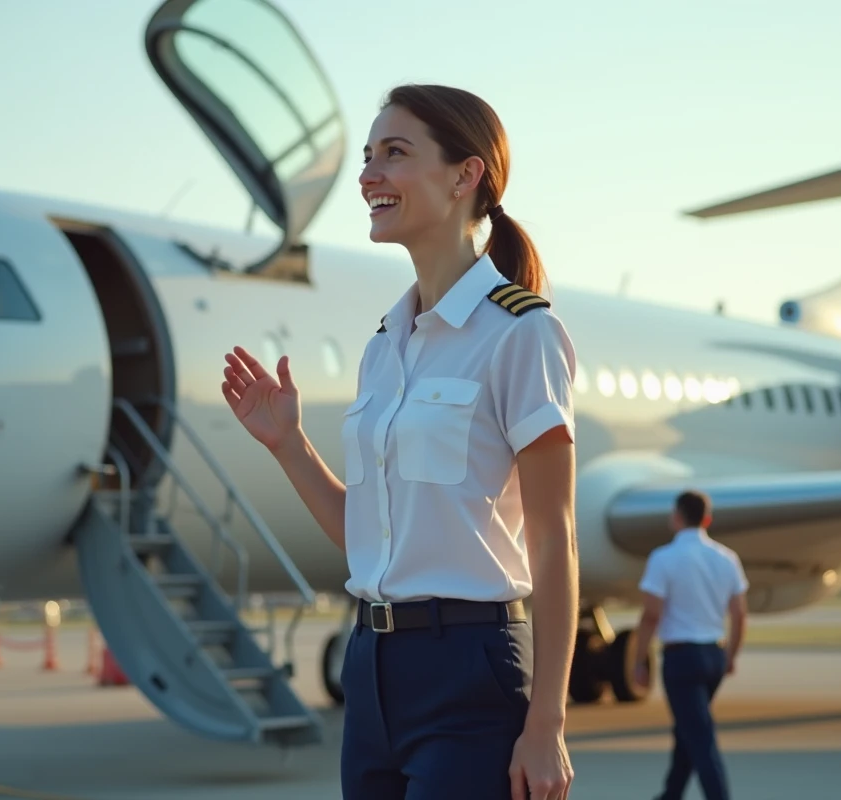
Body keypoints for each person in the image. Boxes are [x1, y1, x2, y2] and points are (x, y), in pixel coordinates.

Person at [221, 83, 579, 800]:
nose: (368, 176)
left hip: (472, 669)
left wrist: (547, 722)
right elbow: (365, 539)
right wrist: (288, 444)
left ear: (464, 175)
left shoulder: (520, 332)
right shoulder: (386, 345)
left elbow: (554, 540)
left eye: (394, 153)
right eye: (367, 156)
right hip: (372, 668)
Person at [632, 489, 749, 800]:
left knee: (700, 738)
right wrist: (731, 655)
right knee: (689, 731)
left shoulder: (663, 558)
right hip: (714, 655)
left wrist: (639, 659)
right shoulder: (727, 558)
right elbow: (739, 615)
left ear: (677, 517)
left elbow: (651, 616)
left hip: (681, 659)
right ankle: (670, 794)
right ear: (707, 519)